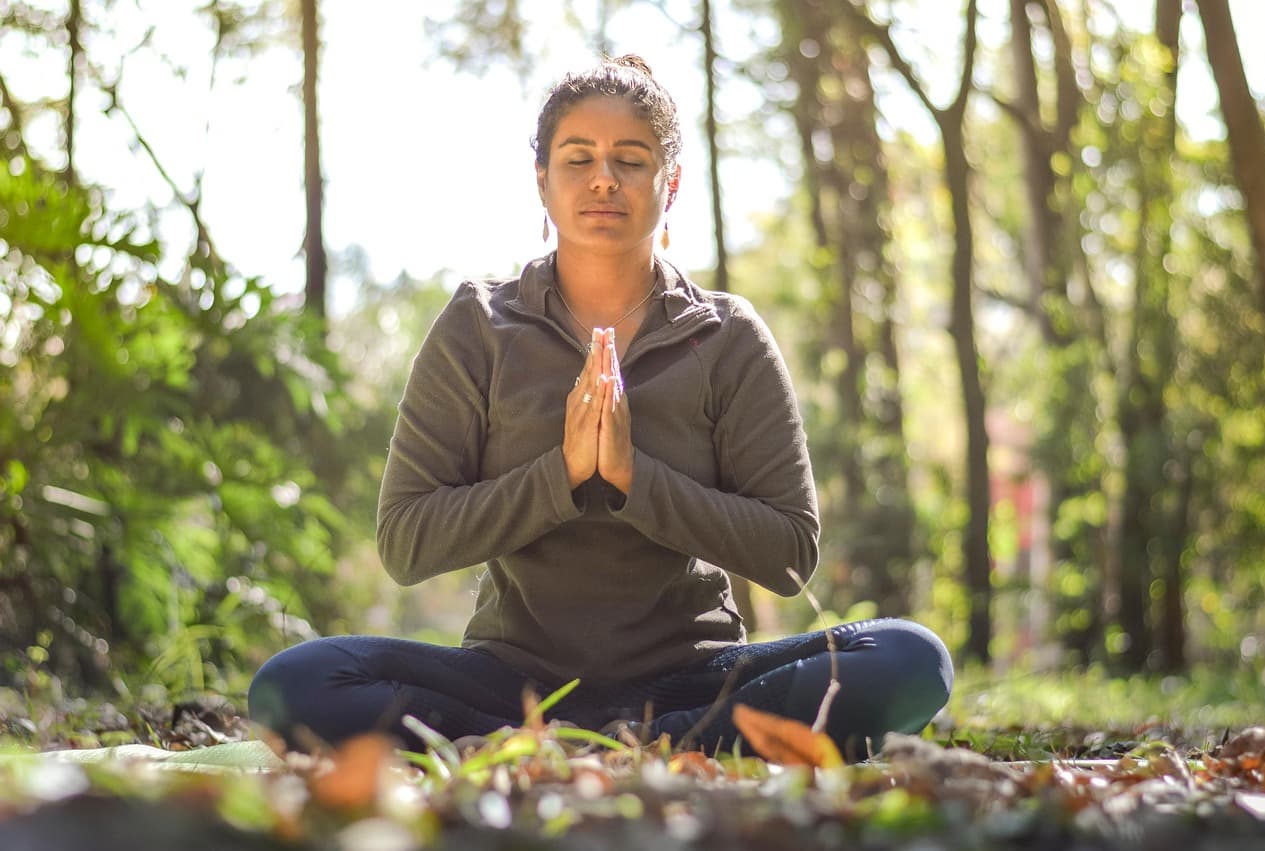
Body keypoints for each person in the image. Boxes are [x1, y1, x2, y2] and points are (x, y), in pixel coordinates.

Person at [248, 54, 952, 761]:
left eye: (631, 159)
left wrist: (632, 480)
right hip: (510, 678)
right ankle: (577, 742)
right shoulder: (479, 325)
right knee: (296, 680)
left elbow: (792, 553)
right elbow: (405, 540)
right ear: (544, 183)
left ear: (669, 184)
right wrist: (560, 477)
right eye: (578, 158)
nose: (604, 179)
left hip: (695, 679)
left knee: (908, 657)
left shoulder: (727, 337)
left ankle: (604, 744)